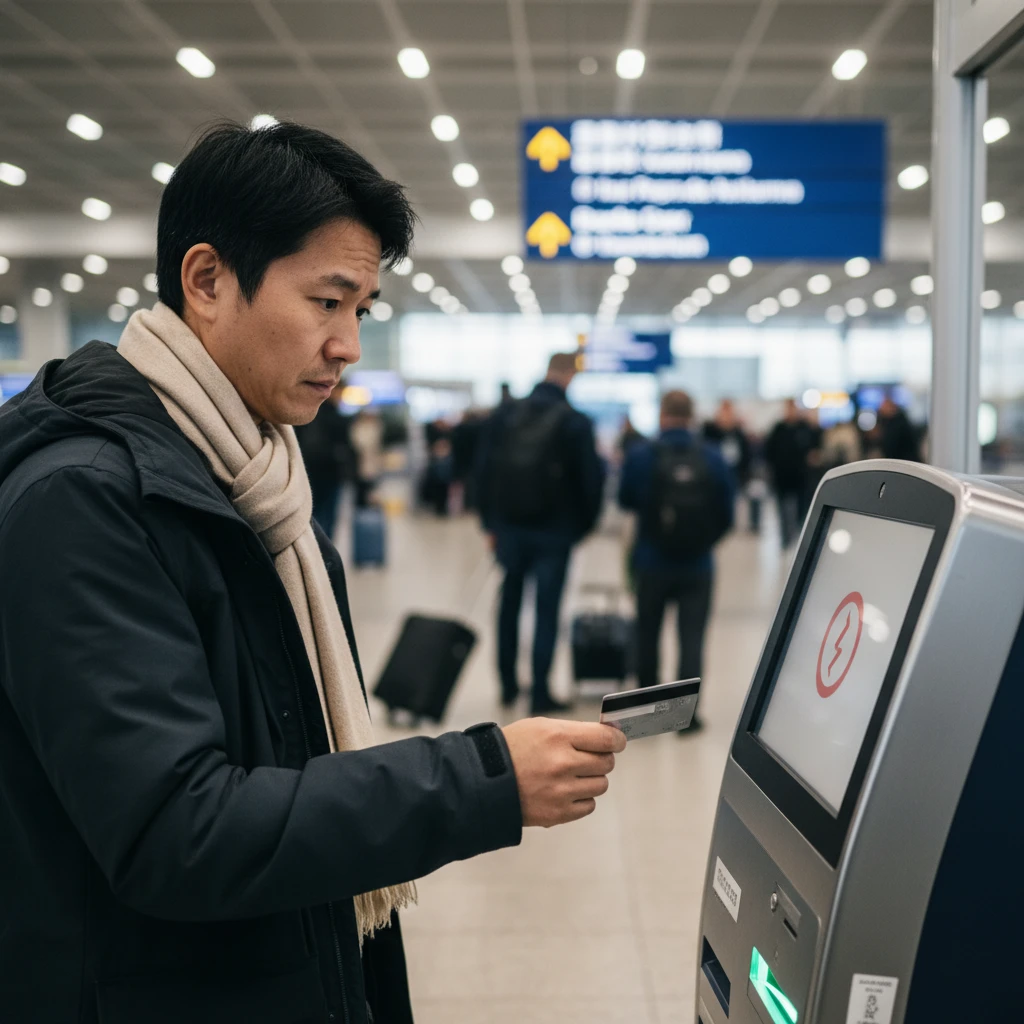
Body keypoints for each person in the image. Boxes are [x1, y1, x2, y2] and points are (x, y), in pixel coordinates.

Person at [0, 120, 627, 1024]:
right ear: (207, 281)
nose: (348, 346)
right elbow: (176, 830)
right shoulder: (84, 501)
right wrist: (482, 780)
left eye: (361, 310)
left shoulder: (258, 485)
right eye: (327, 302)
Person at [476, 353, 606, 713]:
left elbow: (483, 471)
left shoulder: (505, 415)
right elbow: (591, 482)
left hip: (509, 529)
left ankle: (507, 686)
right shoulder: (575, 422)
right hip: (555, 532)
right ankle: (539, 692)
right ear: (570, 376)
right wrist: (581, 528)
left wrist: (490, 524)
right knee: (547, 611)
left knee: (509, 604)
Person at [618, 391, 735, 732]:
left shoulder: (641, 455)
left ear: (662, 415)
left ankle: (648, 714)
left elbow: (625, 499)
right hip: (698, 565)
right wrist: (704, 541)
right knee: (692, 638)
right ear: (691, 416)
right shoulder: (712, 457)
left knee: (647, 633)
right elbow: (728, 513)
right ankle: (685, 717)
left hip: (651, 560)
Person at [295, 380, 354, 538]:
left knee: (312, 514)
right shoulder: (336, 417)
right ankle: (324, 548)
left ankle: (313, 546)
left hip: (309, 471)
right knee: (328, 517)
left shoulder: (307, 414)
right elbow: (346, 447)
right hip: (330, 472)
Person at [764, 398, 820, 548]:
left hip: (800, 478)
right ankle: (785, 540)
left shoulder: (804, 428)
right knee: (783, 511)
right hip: (781, 478)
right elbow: (769, 451)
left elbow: (814, 448)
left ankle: (799, 540)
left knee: (802, 511)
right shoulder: (778, 429)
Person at [350, 406, 384, 507]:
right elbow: (359, 444)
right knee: (361, 491)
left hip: (372, 463)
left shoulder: (376, 427)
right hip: (360, 463)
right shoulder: (358, 427)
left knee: (372, 488)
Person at [877, 396, 921, 462]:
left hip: (903, 462)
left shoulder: (897, 425)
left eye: (883, 406)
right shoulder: (897, 421)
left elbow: (891, 447)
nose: (881, 410)